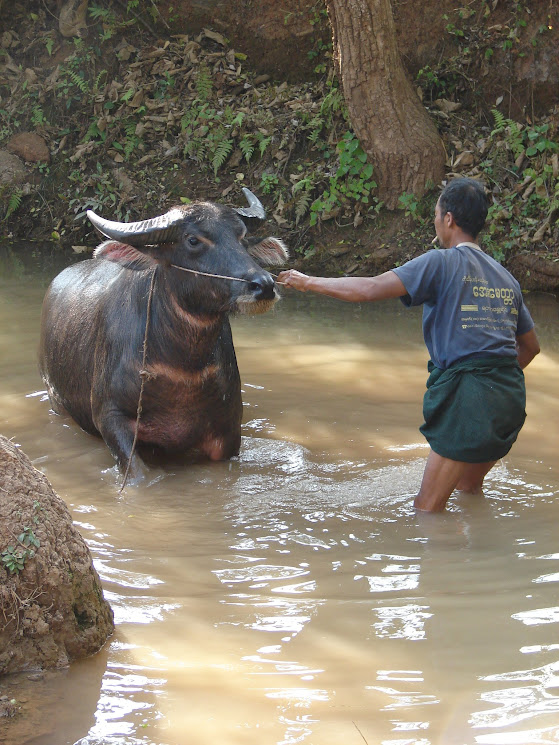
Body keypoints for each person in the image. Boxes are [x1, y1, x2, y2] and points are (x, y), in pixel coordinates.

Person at [277, 177, 540, 512]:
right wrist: (493, 384)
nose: (435, 222)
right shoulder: (506, 278)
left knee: (426, 510)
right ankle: (477, 556)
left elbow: (369, 289)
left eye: (436, 215)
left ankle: (439, 562)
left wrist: (308, 281)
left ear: (449, 219)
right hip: (510, 401)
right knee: (467, 490)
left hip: (469, 398)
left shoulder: (440, 262)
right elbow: (530, 348)